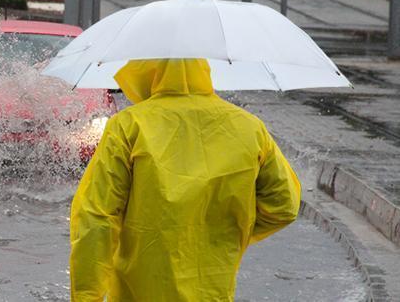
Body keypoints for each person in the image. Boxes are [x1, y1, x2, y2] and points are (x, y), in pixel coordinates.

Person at [69, 59, 301, 301]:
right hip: (213, 291)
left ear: (149, 70)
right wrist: (229, 232)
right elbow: (285, 205)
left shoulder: (129, 125)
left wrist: (87, 297)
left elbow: (95, 217)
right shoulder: (250, 128)